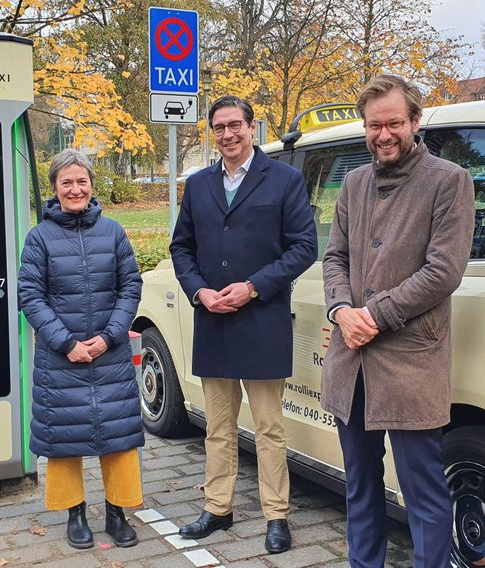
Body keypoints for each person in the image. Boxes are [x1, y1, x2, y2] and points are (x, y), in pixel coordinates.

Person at [321, 75, 475, 567]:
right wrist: (342, 311)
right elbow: (334, 259)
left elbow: (443, 271)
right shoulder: (353, 182)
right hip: (353, 361)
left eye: (393, 123)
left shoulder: (449, 180)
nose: (383, 134)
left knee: (424, 495)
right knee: (360, 487)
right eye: (373, 125)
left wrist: (374, 314)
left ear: (414, 121)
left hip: (410, 365)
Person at [170, 96, 317, 553]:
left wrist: (253, 287)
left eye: (236, 125)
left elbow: (303, 247)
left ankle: (277, 516)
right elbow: (182, 248)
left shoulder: (285, 180)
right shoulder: (197, 185)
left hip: (261, 319)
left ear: (253, 128)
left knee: (269, 428)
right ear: (212, 134)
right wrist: (199, 291)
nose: (228, 135)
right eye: (219, 128)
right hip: (213, 320)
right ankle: (218, 508)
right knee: (218, 426)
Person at [18, 148, 144, 550]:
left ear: (92, 184)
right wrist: (65, 343)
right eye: (66, 182)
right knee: (64, 436)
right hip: (61, 357)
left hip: (110, 352)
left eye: (82, 181)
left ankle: (116, 511)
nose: (75, 189)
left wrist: (109, 336)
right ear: (54, 188)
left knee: (119, 434)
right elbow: (30, 296)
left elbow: (131, 287)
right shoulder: (39, 238)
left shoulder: (114, 232)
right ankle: (74, 513)